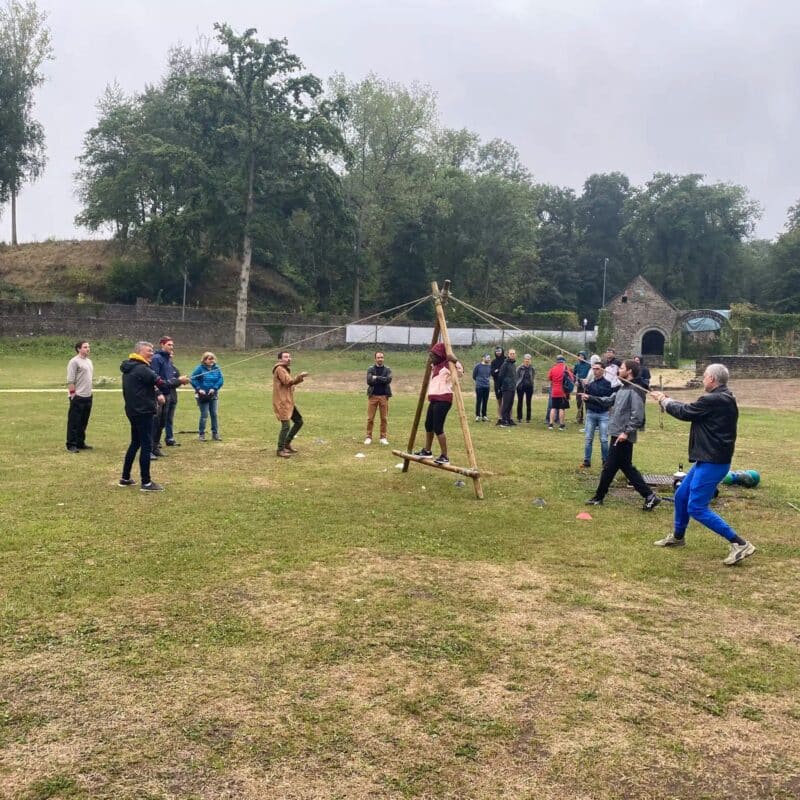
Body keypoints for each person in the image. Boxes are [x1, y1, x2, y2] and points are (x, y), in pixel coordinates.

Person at [651, 364, 756, 565]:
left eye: (705, 376)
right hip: (707, 459)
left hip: (713, 461)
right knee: (681, 495)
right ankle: (678, 537)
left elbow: (685, 412)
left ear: (712, 379)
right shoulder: (721, 397)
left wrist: (664, 400)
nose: (703, 379)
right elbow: (692, 409)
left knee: (696, 507)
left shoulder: (714, 399)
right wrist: (668, 400)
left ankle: (740, 543)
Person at [583, 359, 661, 510]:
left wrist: (626, 433)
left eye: (622, 368)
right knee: (623, 467)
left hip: (623, 436)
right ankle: (649, 496)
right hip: (617, 433)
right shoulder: (622, 388)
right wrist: (590, 398)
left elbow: (637, 416)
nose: (619, 370)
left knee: (610, 467)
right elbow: (608, 401)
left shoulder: (635, 390)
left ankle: (599, 497)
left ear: (629, 371)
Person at [119, 341, 188, 491]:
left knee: (135, 443)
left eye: (152, 350)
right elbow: (163, 385)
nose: (152, 353)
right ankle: (146, 482)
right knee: (146, 446)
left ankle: (125, 478)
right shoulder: (142, 369)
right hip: (143, 412)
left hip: (133, 411)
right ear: (139, 352)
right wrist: (179, 381)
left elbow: (154, 385)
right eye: (149, 350)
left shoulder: (130, 367)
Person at [414, 342, 463, 465]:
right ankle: (427, 451)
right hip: (434, 399)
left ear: (440, 355)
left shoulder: (448, 365)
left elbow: (460, 372)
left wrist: (455, 360)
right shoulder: (434, 366)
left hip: (443, 399)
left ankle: (444, 456)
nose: (431, 358)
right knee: (428, 424)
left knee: (438, 427)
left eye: (433, 356)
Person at [272, 351, 308, 458]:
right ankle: (280, 450)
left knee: (299, 421)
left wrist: (293, 386)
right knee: (286, 426)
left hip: (288, 402)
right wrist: (300, 376)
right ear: (280, 359)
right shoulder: (279, 369)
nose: (289, 358)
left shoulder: (284, 369)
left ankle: (287, 444)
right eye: (286, 357)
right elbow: (288, 382)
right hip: (282, 402)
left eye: (289, 357)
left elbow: (287, 384)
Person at [150, 337, 181, 456]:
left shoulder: (168, 360)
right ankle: (149, 449)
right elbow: (154, 378)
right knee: (155, 422)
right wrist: (158, 393)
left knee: (162, 422)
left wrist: (179, 381)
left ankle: (155, 448)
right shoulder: (157, 359)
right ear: (162, 345)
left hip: (168, 394)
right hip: (159, 396)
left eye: (172, 345)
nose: (171, 347)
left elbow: (171, 378)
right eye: (169, 344)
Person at [580, 361, 612, 469]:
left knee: (604, 439)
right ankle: (587, 461)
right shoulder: (590, 384)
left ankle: (605, 461)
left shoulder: (607, 384)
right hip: (591, 413)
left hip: (603, 414)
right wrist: (585, 396)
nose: (595, 371)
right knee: (588, 438)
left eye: (597, 368)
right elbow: (588, 398)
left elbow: (603, 397)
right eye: (593, 369)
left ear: (603, 370)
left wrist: (589, 396)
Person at [65, 340, 94, 452]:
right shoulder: (74, 362)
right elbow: (70, 380)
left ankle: (80, 442)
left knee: (83, 421)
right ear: (78, 349)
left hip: (88, 396)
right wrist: (73, 394)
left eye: (88, 347)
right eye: (85, 347)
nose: (88, 349)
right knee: (74, 422)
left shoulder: (89, 361)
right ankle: (71, 444)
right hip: (78, 396)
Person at [191, 351, 224, 441]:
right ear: (205, 360)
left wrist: (214, 388)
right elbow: (193, 379)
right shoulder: (200, 369)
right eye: (209, 359)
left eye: (213, 359)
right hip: (203, 395)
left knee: (214, 414)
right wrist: (199, 389)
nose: (212, 361)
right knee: (204, 415)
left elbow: (220, 379)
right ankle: (201, 434)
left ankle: (215, 434)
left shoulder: (217, 368)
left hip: (213, 394)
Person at [364, 351, 392, 445]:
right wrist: (381, 379)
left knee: (384, 418)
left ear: (383, 358)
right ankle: (368, 437)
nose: (380, 359)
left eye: (382, 357)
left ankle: (383, 437)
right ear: (375, 359)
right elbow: (369, 381)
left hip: (384, 396)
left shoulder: (387, 369)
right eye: (378, 357)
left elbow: (388, 380)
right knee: (370, 418)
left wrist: (376, 377)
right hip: (373, 396)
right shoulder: (370, 369)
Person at [547, 355, 574, 430]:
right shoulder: (566, 368)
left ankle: (550, 424)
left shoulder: (553, 368)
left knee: (553, 408)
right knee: (562, 408)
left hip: (554, 391)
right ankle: (561, 425)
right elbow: (571, 378)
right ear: (563, 361)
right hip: (563, 392)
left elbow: (549, 377)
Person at [497, 348, 517, 426]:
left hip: (512, 387)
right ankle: (503, 420)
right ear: (508, 355)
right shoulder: (505, 364)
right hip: (506, 387)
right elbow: (500, 376)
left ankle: (508, 419)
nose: (512, 355)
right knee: (505, 404)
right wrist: (500, 387)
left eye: (513, 354)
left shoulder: (513, 365)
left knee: (510, 404)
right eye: (511, 354)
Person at [572, 351, 591, 425]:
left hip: (587, 385)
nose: (580, 357)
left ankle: (588, 419)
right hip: (579, 385)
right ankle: (580, 418)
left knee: (587, 402)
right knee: (579, 402)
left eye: (582, 356)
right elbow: (573, 375)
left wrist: (587, 381)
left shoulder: (589, 365)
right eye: (579, 356)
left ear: (585, 357)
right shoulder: (577, 365)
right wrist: (575, 381)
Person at [516, 354, 535, 423]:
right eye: (526, 359)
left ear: (530, 360)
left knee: (528, 402)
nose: (527, 360)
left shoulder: (532, 368)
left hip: (529, 387)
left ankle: (528, 418)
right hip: (521, 387)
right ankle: (519, 417)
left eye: (528, 359)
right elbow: (517, 377)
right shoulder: (519, 368)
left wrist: (532, 383)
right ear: (524, 360)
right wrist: (517, 385)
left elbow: (533, 376)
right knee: (520, 402)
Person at [472, 353, 491, 421]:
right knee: (479, 401)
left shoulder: (490, 366)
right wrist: (479, 381)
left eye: (489, 358)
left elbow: (489, 375)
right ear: (483, 358)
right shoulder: (478, 366)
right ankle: (477, 415)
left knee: (485, 401)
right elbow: (474, 376)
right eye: (487, 358)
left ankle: (484, 415)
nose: (488, 359)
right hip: (479, 386)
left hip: (487, 386)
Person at [490, 346, 505, 417]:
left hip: (505, 383)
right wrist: (498, 370)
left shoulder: (506, 360)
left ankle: (507, 415)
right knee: (499, 400)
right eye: (497, 351)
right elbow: (493, 373)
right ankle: (500, 416)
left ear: (502, 351)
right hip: (497, 383)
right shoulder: (493, 362)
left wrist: (497, 370)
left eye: (499, 351)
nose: (498, 352)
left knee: (507, 400)